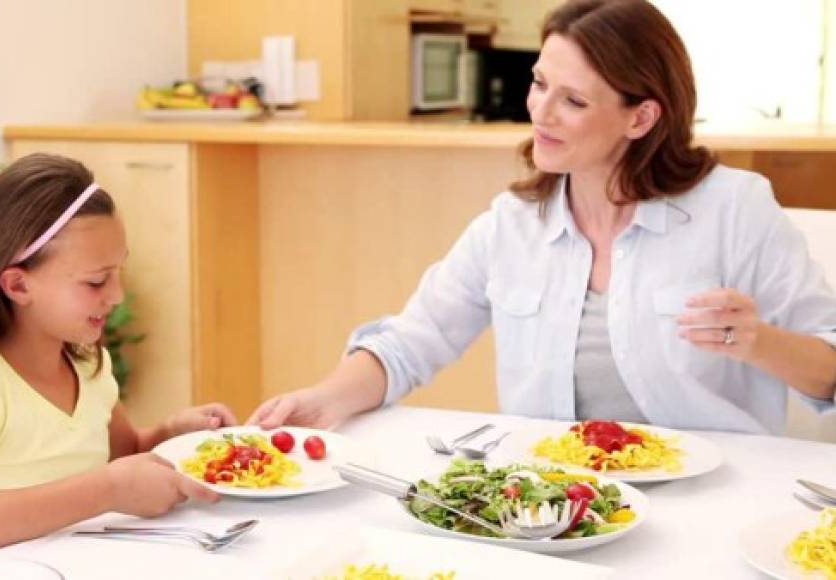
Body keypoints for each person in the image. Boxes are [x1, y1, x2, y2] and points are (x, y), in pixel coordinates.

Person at [248, 0, 836, 436]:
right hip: (554, 507)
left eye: (573, 100)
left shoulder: (734, 209)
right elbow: (411, 342)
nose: (540, 112)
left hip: (714, 503)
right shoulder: (513, 224)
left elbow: (831, 370)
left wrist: (757, 342)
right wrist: (326, 400)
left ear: (641, 117)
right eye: (539, 83)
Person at [0, 153, 235, 563]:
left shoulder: (88, 365)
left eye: (117, 273)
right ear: (19, 285)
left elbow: (121, 456)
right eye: (96, 281)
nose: (117, 295)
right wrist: (107, 490)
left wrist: (169, 432)